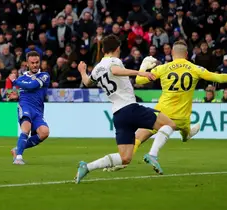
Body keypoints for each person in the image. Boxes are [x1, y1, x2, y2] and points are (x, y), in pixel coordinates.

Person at [106, 40, 227, 172]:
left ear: (173, 54)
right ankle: (187, 133)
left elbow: (139, 81)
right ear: (187, 55)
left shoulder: (163, 68)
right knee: (183, 129)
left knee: (137, 139)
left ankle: (122, 162)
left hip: (160, 114)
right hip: (182, 117)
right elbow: (219, 77)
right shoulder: (195, 68)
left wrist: (143, 66)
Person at [75, 35, 176, 183]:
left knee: (125, 158)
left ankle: (87, 167)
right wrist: (140, 73)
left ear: (103, 49)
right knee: (170, 124)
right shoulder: (114, 61)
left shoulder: (97, 68)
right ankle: (153, 154)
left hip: (119, 115)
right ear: (117, 49)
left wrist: (83, 71)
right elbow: (115, 71)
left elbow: (88, 82)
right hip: (131, 108)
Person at [8, 51, 50, 165]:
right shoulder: (22, 78)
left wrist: (14, 81)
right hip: (25, 106)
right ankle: (18, 158)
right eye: (32, 63)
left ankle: (17, 149)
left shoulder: (44, 76)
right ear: (27, 63)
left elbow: (32, 86)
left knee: (44, 133)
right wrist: (17, 96)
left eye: (37, 62)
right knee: (26, 128)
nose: (35, 65)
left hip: (37, 111)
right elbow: (24, 91)